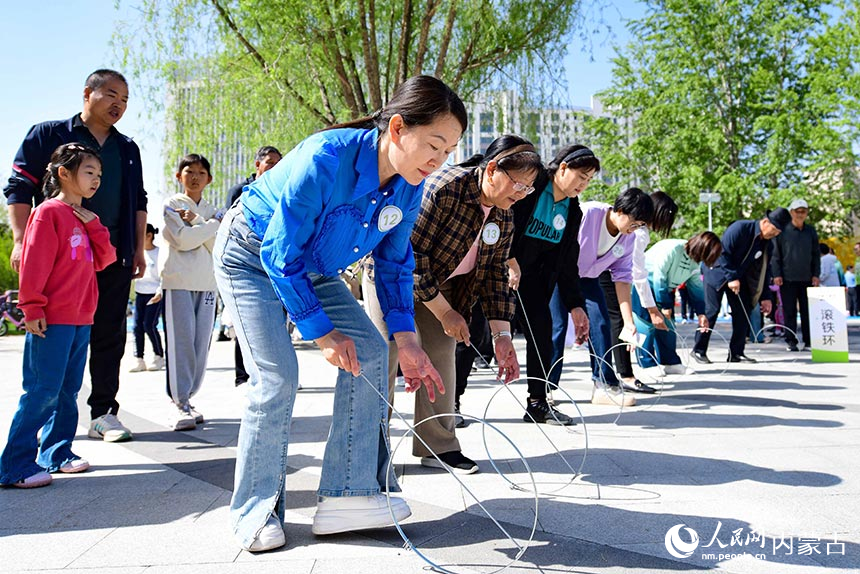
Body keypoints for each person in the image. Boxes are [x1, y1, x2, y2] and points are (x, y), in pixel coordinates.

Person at [212, 75, 466, 552]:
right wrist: (323, 334)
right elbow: (279, 252)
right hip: (251, 255)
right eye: (433, 144)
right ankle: (255, 511)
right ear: (397, 128)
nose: (439, 159)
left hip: (315, 266)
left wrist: (409, 342)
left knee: (372, 349)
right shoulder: (326, 158)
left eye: (449, 151)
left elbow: (393, 266)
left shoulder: (411, 188)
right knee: (277, 377)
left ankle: (347, 495)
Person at [364, 135, 537, 474]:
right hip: (391, 274)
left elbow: (493, 277)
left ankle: (437, 444)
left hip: (442, 285)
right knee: (385, 353)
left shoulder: (504, 217)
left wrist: (502, 338)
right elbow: (410, 256)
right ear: (491, 170)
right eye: (517, 184)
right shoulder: (444, 189)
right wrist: (445, 312)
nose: (520, 194)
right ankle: (370, 448)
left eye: (527, 189)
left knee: (442, 353)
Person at [3, 69, 147, 443]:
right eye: (112, 95)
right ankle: (41, 422)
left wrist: (134, 249)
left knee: (109, 334)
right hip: (58, 260)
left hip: (109, 254)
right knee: (54, 339)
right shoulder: (48, 135)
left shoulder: (127, 149)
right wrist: (21, 239)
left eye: (126, 100)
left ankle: (103, 412)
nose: (120, 104)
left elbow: (139, 201)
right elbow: (19, 187)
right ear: (88, 93)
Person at [0, 144, 116, 488]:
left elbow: (105, 259)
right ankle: (14, 465)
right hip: (52, 317)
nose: (95, 180)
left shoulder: (84, 218)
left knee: (68, 390)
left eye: (98, 174)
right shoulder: (48, 212)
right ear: (64, 173)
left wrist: (94, 224)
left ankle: (57, 452)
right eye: (88, 172)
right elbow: (33, 263)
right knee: (42, 390)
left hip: (82, 317)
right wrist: (32, 306)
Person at [508, 144, 598, 425]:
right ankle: (455, 401)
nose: (583, 185)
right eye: (581, 177)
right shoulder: (531, 187)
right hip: (501, 271)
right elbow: (503, 220)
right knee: (476, 336)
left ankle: (537, 403)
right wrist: (507, 258)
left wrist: (575, 304)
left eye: (589, 180)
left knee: (542, 337)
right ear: (562, 168)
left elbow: (568, 261)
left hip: (534, 283)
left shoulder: (573, 211)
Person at [159, 154, 221, 431]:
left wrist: (199, 223)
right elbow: (182, 241)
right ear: (179, 175)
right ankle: (178, 402)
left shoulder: (211, 209)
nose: (195, 176)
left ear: (209, 178)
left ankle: (189, 399)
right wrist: (210, 226)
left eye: (200, 172)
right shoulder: (172, 205)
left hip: (207, 282)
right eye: (189, 171)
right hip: (179, 281)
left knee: (200, 346)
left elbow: (219, 246)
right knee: (181, 342)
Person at [577, 188, 654, 405]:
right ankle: (546, 388)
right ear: (620, 210)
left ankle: (603, 384)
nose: (634, 228)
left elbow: (622, 278)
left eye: (640, 226)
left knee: (600, 323)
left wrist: (629, 323)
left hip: (589, 278)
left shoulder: (628, 238)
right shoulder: (589, 213)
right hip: (559, 274)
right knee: (556, 327)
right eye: (634, 222)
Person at [597, 191, 677, 394]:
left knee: (613, 322)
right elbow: (638, 273)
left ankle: (616, 374)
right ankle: (625, 375)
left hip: (609, 271)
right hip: (610, 273)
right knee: (619, 322)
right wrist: (652, 309)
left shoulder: (635, 228)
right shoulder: (639, 232)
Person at [692, 208, 791, 364]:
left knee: (743, 312)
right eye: (774, 230)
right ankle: (698, 350)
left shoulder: (767, 245)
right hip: (716, 273)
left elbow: (764, 270)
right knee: (711, 311)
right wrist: (731, 277)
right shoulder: (740, 228)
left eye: (779, 232)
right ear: (765, 222)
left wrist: (765, 297)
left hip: (739, 279)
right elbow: (722, 253)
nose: (775, 234)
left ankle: (736, 353)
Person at [225, 146, 282, 386]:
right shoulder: (240, 191)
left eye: (279, 163)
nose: (274, 167)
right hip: (245, 263)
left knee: (278, 322)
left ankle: (277, 373)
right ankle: (242, 376)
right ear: (257, 165)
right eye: (269, 162)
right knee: (245, 323)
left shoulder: (283, 190)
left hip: (274, 264)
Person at [632, 232, 723, 373]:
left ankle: (670, 362)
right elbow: (658, 277)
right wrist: (665, 305)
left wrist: (701, 313)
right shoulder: (673, 248)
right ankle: (647, 363)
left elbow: (696, 286)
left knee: (668, 327)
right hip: (643, 286)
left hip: (666, 290)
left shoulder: (695, 261)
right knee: (646, 326)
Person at [771, 198, 820, 351]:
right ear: (791, 212)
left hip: (807, 277)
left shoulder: (810, 231)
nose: (800, 214)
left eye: (803, 211)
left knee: (807, 311)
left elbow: (816, 254)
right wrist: (776, 274)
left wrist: (816, 274)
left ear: (806, 213)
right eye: (797, 211)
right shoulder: (783, 230)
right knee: (789, 311)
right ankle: (791, 341)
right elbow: (775, 254)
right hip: (787, 278)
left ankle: (808, 341)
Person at [129, 224, 164, 372]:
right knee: (137, 327)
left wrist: (159, 291)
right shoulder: (137, 253)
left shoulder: (159, 253)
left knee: (149, 325)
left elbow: (164, 274)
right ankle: (139, 358)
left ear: (149, 235)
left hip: (154, 294)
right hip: (140, 293)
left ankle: (158, 356)